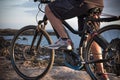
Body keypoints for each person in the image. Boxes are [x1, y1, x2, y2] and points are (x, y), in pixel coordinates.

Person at [45, 0, 109, 80]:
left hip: (84, 2)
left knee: (49, 9)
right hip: (97, 3)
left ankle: (65, 40)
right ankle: (101, 73)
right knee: (91, 35)